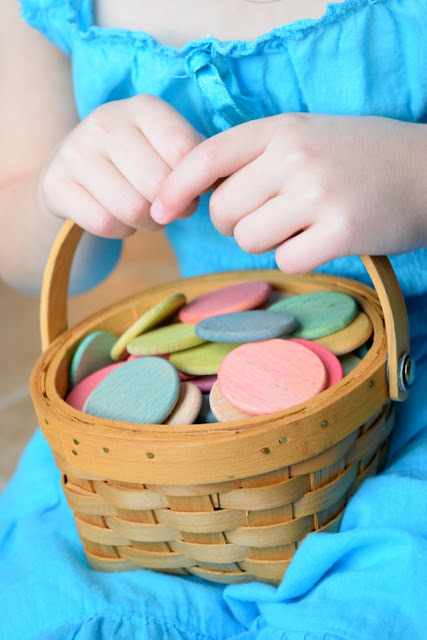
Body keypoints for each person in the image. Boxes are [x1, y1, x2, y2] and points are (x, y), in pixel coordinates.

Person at [0, 0, 426, 637]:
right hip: (181, 417)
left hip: (404, 393)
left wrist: (413, 173)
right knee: (50, 605)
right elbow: (22, 246)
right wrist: (58, 191)